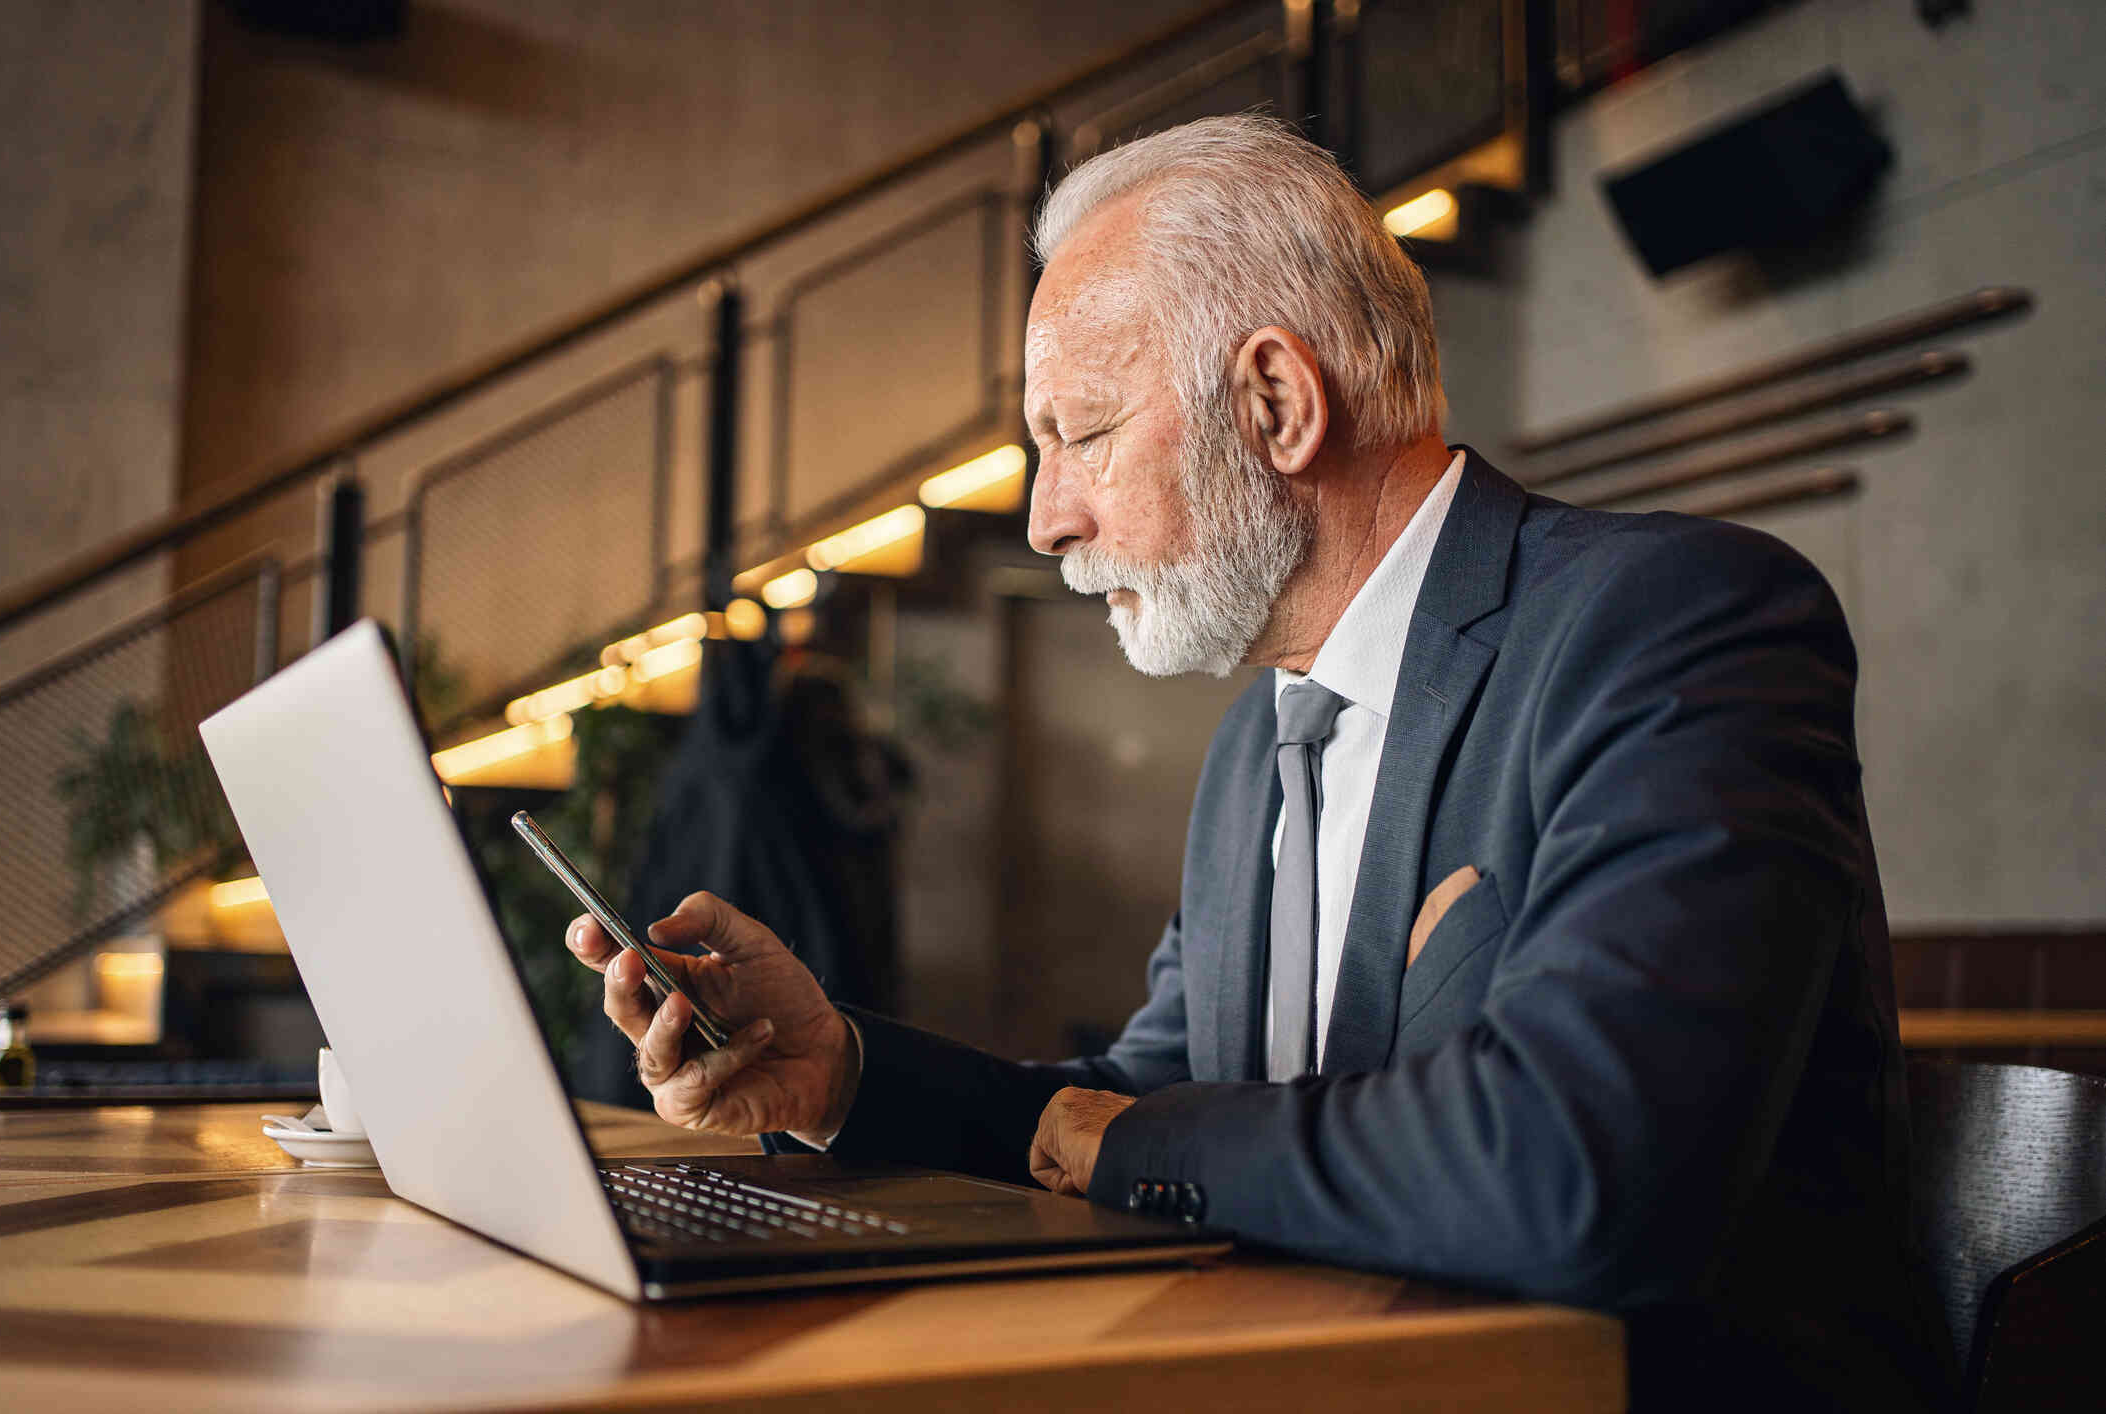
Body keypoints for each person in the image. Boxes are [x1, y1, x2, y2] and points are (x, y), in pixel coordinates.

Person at [565, 115, 1949, 1411]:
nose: (1047, 521)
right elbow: (1139, 1097)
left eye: (1083, 434)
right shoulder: (1257, 740)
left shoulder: (1674, 622)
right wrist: (840, 1070)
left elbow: (1577, 1169)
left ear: (1276, 399)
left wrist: (1107, 1138)